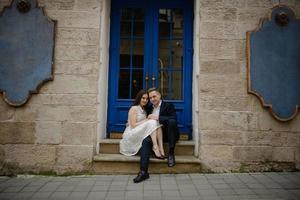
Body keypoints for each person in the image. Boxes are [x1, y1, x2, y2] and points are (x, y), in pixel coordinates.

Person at [133, 88, 180, 183]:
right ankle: (143, 172)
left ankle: (170, 153)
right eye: (150, 98)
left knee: (171, 122)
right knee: (146, 141)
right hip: (154, 135)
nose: (152, 99)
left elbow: (173, 119)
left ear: (159, 96)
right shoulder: (149, 107)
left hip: (168, 134)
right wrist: (131, 122)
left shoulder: (168, 105)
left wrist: (157, 117)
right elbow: (138, 111)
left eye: (154, 96)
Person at [119, 90, 165, 163]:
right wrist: (147, 120)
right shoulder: (134, 108)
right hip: (132, 132)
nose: (145, 100)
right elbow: (133, 125)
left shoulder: (144, 109)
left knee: (157, 123)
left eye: (147, 99)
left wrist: (148, 120)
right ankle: (155, 146)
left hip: (139, 130)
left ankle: (161, 149)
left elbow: (145, 124)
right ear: (139, 98)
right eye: (143, 98)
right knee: (152, 121)